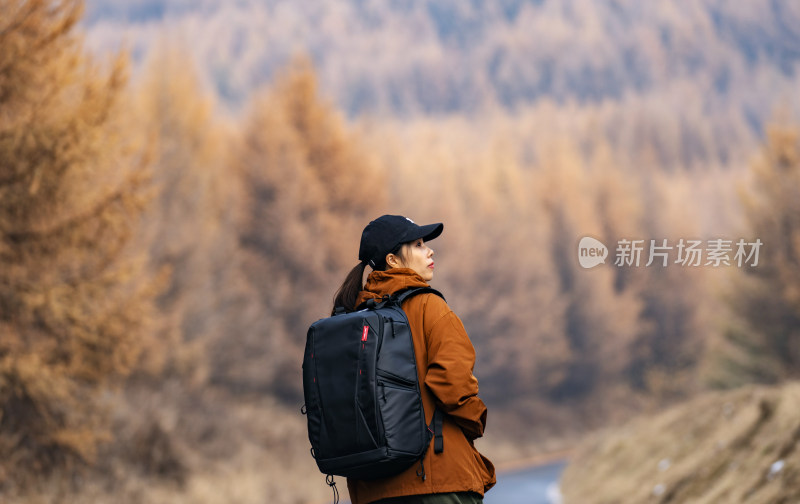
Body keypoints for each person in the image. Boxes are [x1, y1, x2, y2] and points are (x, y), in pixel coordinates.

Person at [332, 215, 496, 504]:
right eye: (419, 245)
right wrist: (477, 421)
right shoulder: (430, 307)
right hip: (437, 481)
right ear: (393, 260)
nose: (430, 251)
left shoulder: (350, 319)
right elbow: (453, 386)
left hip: (371, 489)